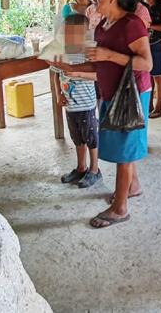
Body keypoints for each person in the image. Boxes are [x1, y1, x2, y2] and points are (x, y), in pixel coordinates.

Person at [49, 0, 152, 228]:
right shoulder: (103, 26)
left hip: (132, 95)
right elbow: (100, 64)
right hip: (110, 93)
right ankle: (133, 187)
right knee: (121, 145)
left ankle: (120, 207)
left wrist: (109, 55)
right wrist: (71, 68)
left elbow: (146, 64)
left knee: (125, 151)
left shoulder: (132, 24)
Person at [52, 14, 101, 189]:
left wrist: (77, 73)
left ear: (85, 33)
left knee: (91, 138)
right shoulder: (61, 51)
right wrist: (58, 94)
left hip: (86, 104)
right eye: (68, 32)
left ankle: (94, 170)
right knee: (77, 138)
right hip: (70, 106)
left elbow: (98, 75)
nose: (71, 36)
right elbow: (56, 74)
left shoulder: (89, 52)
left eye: (76, 33)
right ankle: (81, 167)